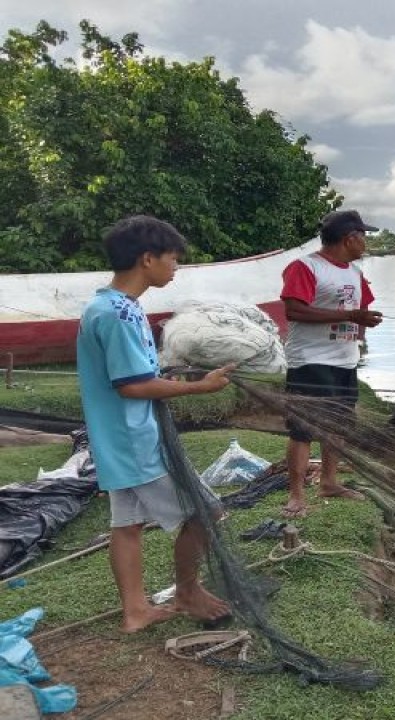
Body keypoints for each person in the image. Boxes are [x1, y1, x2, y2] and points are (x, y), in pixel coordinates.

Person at [76, 215, 234, 633]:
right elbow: (131, 386)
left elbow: (134, 374)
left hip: (117, 438)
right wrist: (198, 389)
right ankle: (187, 590)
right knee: (207, 510)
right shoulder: (118, 315)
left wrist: (172, 376)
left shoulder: (110, 304)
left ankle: (136, 610)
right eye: (172, 257)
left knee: (125, 524)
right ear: (148, 259)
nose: (176, 266)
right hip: (134, 438)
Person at [280, 209, 383, 518]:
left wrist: (362, 328)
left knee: (338, 425)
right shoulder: (305, 267)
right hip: (310, 360)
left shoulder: (354, 272)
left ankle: (329, 482)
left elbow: (361, 307)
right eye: (363, 237)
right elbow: (294, 311)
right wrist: (350, 317)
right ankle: (296, 495)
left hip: (344, 360)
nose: (365, 243)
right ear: (350, 239)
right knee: (303, 428)